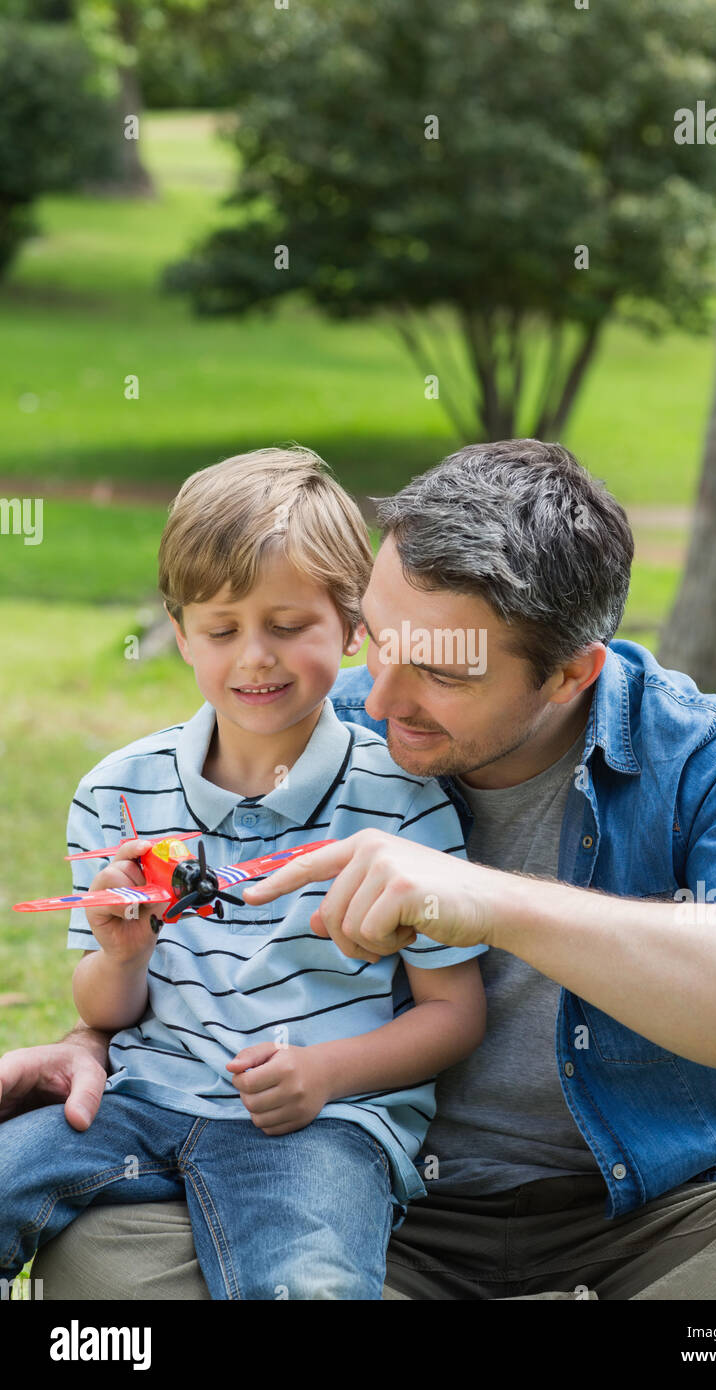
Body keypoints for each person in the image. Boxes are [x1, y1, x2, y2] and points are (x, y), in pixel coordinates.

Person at [6, 437, 716, 1300]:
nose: (375, 700)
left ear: (571, 673)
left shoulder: (704, 757)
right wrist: (93, 1038)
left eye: (442, 673)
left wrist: (494, 904)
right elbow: (192, 954)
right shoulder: (308, 724)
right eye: (377, 640)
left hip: (652, 1231)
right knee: (101, 1257)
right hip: (382, 1221)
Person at [0, 446, 487, 1301]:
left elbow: (454, 1016)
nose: (254, 657)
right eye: (222, 630)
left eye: (288, 626)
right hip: (140, 1098)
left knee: (307, 1286)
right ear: (180, 632)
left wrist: (329, 1077)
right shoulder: (119, 790)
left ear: (350, 626)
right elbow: (103, 1013)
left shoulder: (405, 801)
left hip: (322, 1128)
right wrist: (120, 956)